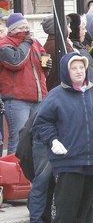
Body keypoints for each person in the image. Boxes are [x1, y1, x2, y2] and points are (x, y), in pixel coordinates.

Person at [32, 52, 93, 223]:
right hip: (68, 158)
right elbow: (41, 123)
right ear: (66, 71)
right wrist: (53, 140)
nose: (79, 71)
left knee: (88, 201)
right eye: (74, 68)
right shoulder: (56, 95)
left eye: (81, 67)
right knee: (67, 200)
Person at [0, 12, 50, 156]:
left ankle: (31, 175)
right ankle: (13, 175)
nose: (26, 30)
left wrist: (46, 66)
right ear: (12, 30)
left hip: (38, 97)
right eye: (22, 27)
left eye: (27, 26)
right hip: (16, 100)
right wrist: (26, 43)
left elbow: (43, 59)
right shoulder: (4, 45)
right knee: (18, 140)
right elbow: (16, 62)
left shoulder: (35, 43)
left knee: (36, 139)